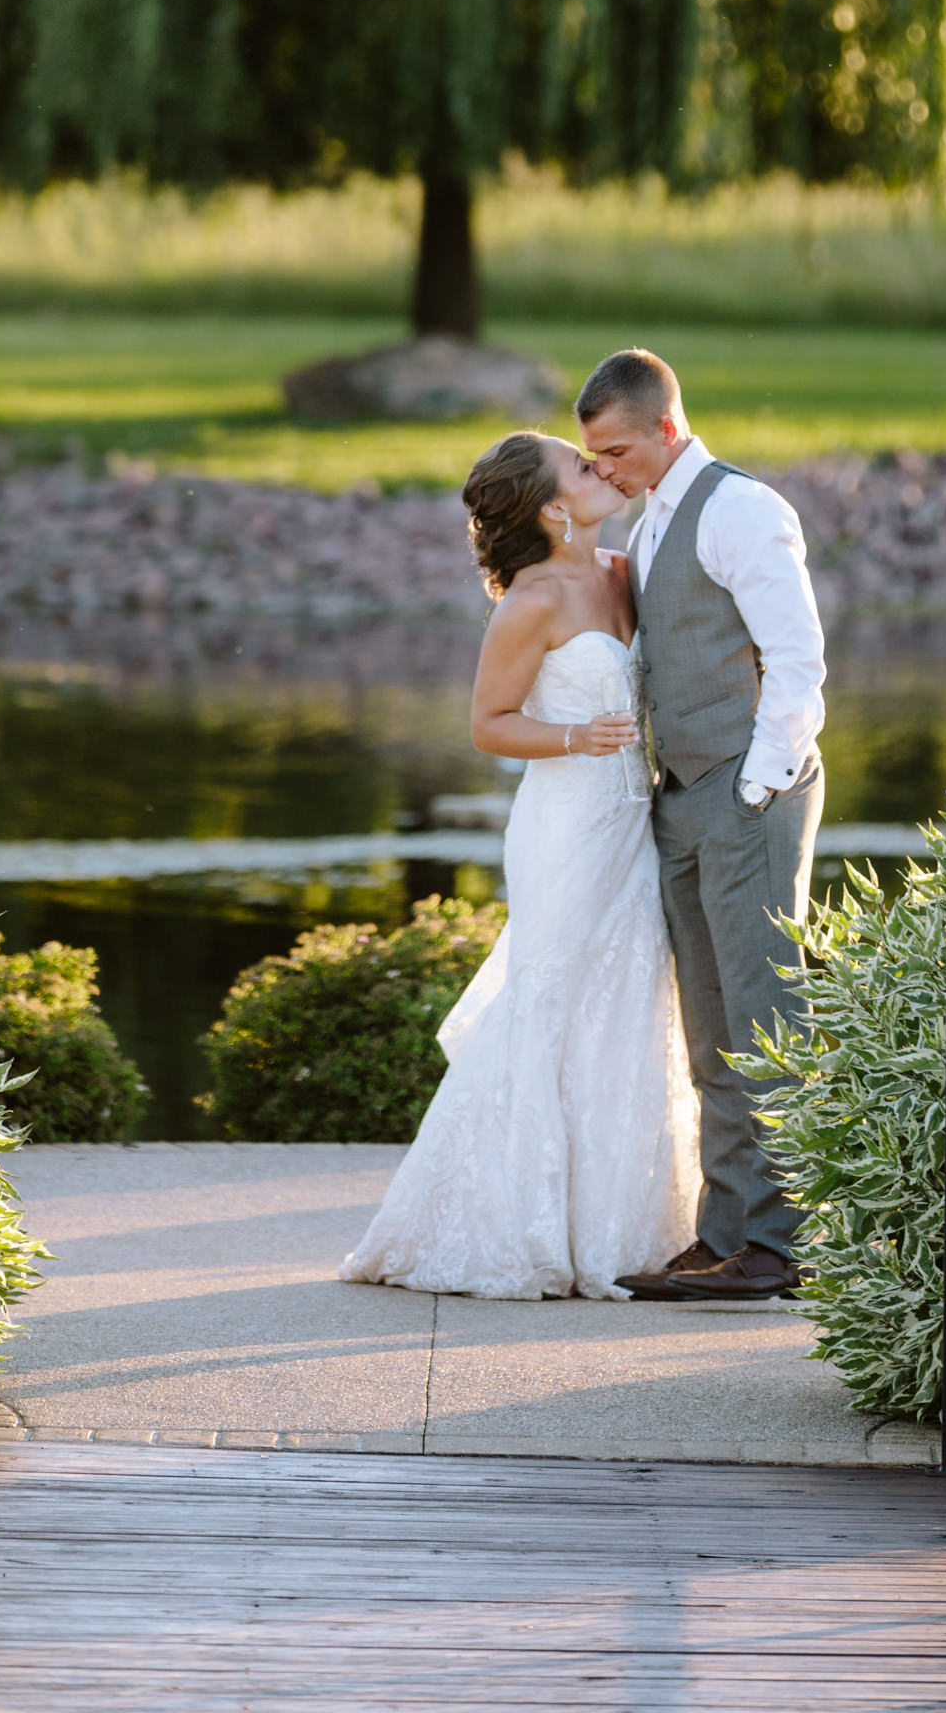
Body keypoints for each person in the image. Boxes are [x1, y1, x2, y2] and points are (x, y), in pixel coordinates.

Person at [339, 429, 700, 1299]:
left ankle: (632, 1223)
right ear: (549, 507)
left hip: (631, 825)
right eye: (582, 466)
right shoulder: (531, 602)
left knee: (630, 999)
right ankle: (517, 1225)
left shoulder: (623, 572)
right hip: (566, 828)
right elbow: (489, 724)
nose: (601, 468)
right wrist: (575, 735)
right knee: (549, 999)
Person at [574, 346, 826, 1302]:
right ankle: (728, 1234)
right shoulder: (650, 521)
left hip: (744, 795)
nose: (604, 469)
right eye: (593, 457)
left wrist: (754, 791)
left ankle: (784, 1244)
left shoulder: (742, 508)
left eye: (616, 451)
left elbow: (798, 664)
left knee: (767, 1017)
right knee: (711, 1030)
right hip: (680, 797)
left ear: (667, 428)